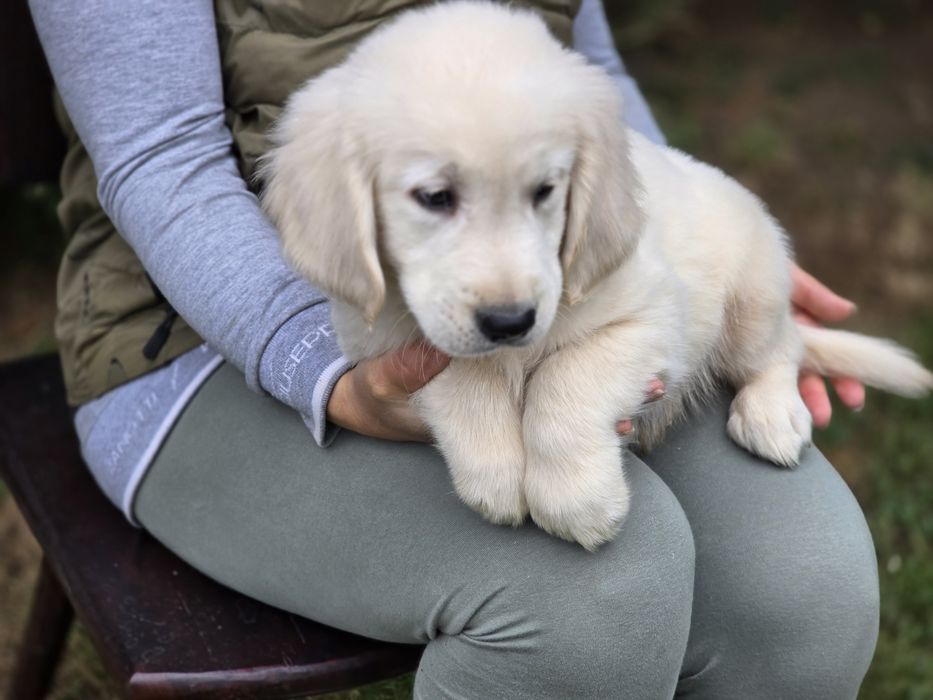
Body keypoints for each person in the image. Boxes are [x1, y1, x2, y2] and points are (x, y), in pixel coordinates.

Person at [29, 0, 879, 697]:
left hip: (564, 307)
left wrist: (680, 247)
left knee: (802, 593)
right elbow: (159, 158)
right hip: (198, 332)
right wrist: (322, 369)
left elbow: (592, 85)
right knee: (588, 599)